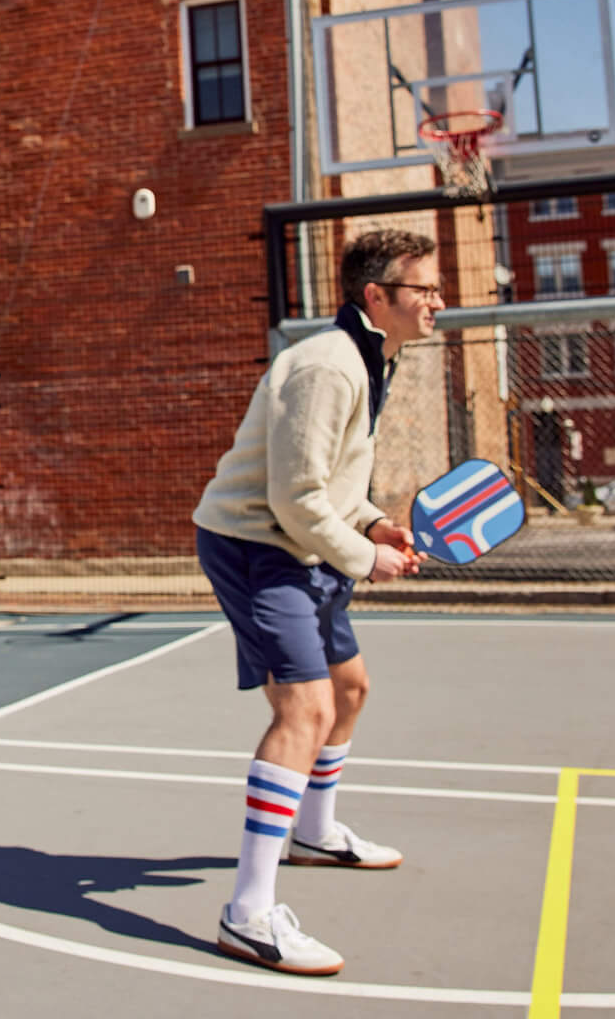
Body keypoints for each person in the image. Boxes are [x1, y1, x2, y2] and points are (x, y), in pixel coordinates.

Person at [190, 228, 443, 975]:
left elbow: (330, 482)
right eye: (423, 288)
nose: (437, 300)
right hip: (257, 547)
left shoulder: (369, 358)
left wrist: (372, 523)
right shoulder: (330, 367)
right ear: (377, 296)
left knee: (349, 690)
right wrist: (367, 558)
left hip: (300, 543)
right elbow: (294, 497)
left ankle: (315, 834)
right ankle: (248, 915)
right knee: (304, 710)